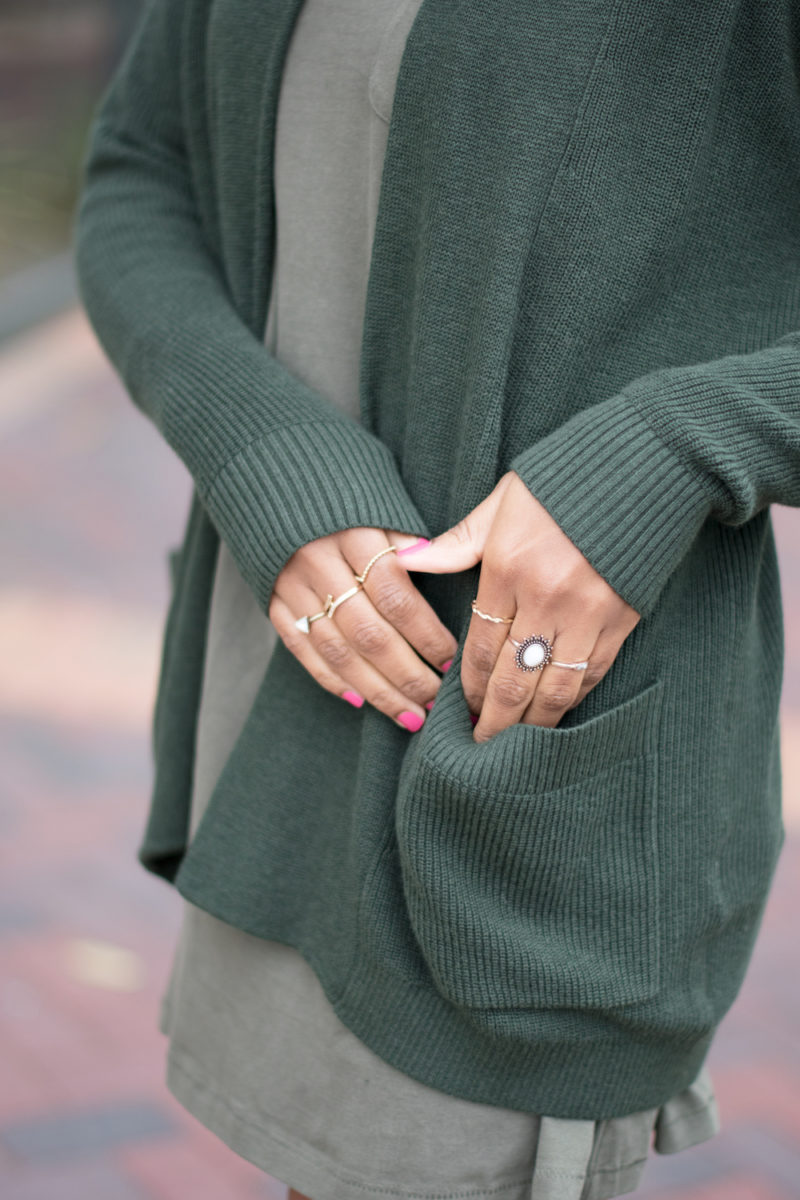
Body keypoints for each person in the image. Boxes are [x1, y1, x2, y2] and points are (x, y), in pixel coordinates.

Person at [75, 0, 799, 1196]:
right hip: (279, 738)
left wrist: (673, 443)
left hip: (512, 803)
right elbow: (140, 171)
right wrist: (264, 456)